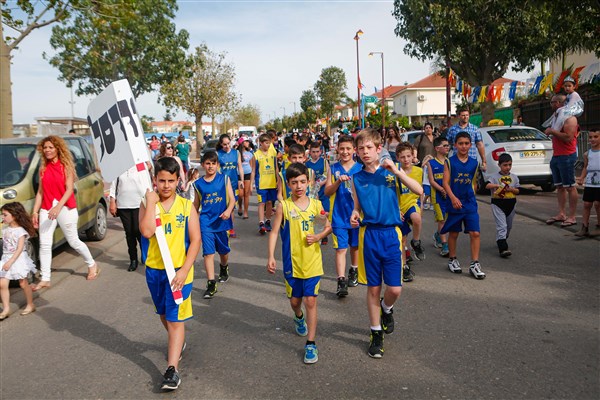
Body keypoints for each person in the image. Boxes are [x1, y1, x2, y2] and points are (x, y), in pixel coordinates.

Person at [350, 128, 422, 358]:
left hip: (392, 234)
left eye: (369, 147)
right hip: (370, 235)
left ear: (378, 148)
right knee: (373, 287)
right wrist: (354, 214)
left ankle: (386, 308)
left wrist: (397, 171)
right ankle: (375, 333)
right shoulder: (357, 178)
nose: (364, 152)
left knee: (395, 289)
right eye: (360, 148)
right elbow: (356, 206)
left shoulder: (391, 171)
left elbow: (419, 191)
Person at [139, 157, 200, 391]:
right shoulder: (147, 202)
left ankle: (172, 370)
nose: (166, 185)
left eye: (171, 181)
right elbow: (145, 231)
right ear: (155, 180)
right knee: (164, 314)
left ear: (178, 181)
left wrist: (185, 270)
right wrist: (151, 202)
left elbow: (195, 240)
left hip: (179, 273)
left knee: (175, 319)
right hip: (155, 270)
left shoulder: (186, 206)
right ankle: (179, 341)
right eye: (162, 180)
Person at [267, 163, 332, 364]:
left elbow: (327, 227)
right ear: (287, 184)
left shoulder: (315, 205)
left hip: (312, 262)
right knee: (296, 301)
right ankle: (298, 315)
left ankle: (311, 344)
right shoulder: (284, 207)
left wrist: (319, 235)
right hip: (292, 264)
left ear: (309, 182)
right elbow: (275, 232)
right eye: (294, 183)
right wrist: (271, 256)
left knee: (311, 300)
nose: (299, 186)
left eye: (302, 182)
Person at [30, 135, 99, 291]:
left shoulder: (65, 166)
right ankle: (46, 278)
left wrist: (58, 207)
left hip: (65, 207)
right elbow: (40, 192)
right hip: (47, 207)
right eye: (45, 148)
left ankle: (92, 264)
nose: (47, 150)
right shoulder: (43, 168)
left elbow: (69, 190)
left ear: (57, 149)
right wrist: (35, 211)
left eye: (50, 147)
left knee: (73, 240)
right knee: (45, 244)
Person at [441, 132, 485, 279]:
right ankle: (452, 259)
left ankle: (475, 263)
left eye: (466, 143)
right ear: (455, 145)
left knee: (475, 232)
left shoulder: (474, 163)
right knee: (454, 233)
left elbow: (473, 183)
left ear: (470, 145)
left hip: (469, 202)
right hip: (454, 201)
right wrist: (452, 197)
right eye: (461, 143)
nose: (464, 146)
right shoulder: (449, 162)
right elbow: (445, 183)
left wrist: (473, 193)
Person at [193, 151, 235, 299]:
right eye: (208, 163)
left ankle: (224, 268)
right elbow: (196, 205)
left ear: (218, 165)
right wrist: (191, 220)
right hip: (205, 222)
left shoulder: (224, 179)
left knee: (223, 252)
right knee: (208, 253)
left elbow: (232, 199)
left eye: (213, 163)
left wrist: (228, 211)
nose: (210, 166)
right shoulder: (197, 184)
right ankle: (211, 283)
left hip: (222, 222)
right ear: (203, 165)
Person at [324, 135, 362, 297]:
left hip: (356, 215)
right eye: (342, 149)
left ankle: (354, 269)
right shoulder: (333, 168)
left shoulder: (361, 168)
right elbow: (327, 192)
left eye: (348, 148)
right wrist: (337, 182)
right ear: (337, 150)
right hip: (338, 216)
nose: (345, 152)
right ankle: (341, 281)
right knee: (340, 249)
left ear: (354, 150)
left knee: (355, 246)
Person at [544, 96, 579, 227]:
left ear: (559, 103)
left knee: (570, 186)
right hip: (557, 155)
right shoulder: (556, 117)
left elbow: (569, 138)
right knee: (559, 187)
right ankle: (561, 213)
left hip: (567, 155)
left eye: (552, 102)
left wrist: (552, 131)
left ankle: (572, 216)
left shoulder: (570, 118)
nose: (551, 105)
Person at [109, 165, 149, 271]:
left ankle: (145, 254)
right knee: (129, 233)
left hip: (139, 204)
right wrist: (112, 201)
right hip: (123, 205)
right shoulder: (119, 166)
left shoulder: (140, 165)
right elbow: (113, 185)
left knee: (138, 231)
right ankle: (133, 260)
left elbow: (146, 183)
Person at [0, 202, 37, 319]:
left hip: (17, 258)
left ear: (14, 215)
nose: (2, 217)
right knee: (2, 284)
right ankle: (6, 309)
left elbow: (20, 249)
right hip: (5, 258)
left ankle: (30, 304)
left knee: (22, 283)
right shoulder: (5, 229)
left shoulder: (21, 231)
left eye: (5, 215)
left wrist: (11, 261)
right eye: (2, 215)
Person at [396, 142, 425, 281]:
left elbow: (421, 193)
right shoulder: (395, 172)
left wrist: (422, 208)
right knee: (401, 239)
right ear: (398, 158)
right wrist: (395, 209)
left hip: (412, 204)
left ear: (413, 156)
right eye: (403, 157)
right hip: (399, 207)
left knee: (417, 218)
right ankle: (404, 267)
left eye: (408, 156)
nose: (406, 159)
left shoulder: (418, 171)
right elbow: (392, 192)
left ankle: (416, 241)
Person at [485, 154, 520, 257]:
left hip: (511, 203)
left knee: (508, 226)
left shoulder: (514, 177)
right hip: (498, 203)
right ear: (499, 165)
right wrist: (496, 186)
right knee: (502, 226)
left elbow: (518, 190)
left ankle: (503, 238)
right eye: (505, 165)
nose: (507, 167)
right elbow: (486, 185)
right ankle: (503, 248)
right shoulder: (494, 177)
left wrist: (511, 189)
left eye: (510, 165)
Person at [426, 136, 451, 257]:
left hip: (449, 195)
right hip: (437, 196)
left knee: (447, 220)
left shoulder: (450, 162)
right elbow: (431, 180)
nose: (448, 147)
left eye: (448, 145)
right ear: (437, 148)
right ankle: (445, 245)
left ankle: (438, 235)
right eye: (445, 145)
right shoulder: (431, 163)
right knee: (441, 220)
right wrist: (441, 189)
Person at [216, 134, 244, 238]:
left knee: (232, 207)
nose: (227, 146)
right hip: (223, 183)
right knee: (225, 206)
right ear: (221, 144)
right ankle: (225, 227)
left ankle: (231, 227)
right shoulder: (218, 154)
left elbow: (240, 167)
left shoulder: (236, 153)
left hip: (234, 183)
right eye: (224, 144)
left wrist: (241, 180)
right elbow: (217, 170)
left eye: (228, 143)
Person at [251, 134, 279, 235]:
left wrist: (278, 180)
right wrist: (251, 184)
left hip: (271, 182)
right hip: (261, 183)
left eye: (269, 143)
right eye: (266, 143)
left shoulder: (273, 153)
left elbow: (276, 167)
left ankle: (268, 220)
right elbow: (253, 170)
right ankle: (261, 223)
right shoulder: (256, 155)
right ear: (261, 143)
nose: (268, 145)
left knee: (269, 203)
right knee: (261, 203)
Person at [575, 129, 600, 237]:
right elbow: (586, 167)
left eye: (596, 137)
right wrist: (581, 177)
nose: (592, 139)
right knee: (587, 204)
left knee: (598, 204)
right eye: (590, 137)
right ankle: (584, 227)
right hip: (590, 182)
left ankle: (599, 226)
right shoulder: (587, 154)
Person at [305, 142, 331, 245]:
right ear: (309, 152)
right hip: (312, 193)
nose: (315, 154)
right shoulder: (307, 164)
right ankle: (317, 232)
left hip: (323, 191)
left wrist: (320, 183)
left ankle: (324, 233)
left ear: (320, 152)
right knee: (315, 213)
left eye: (317, 152)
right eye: (313, 152)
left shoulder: (324, 162)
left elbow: (327, 174)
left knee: (325, 213)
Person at [238, 138, 254, 219]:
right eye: (246, 141)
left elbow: (251, 166)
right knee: (240, 194)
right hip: (239, 175)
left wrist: (252, 182)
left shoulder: (250, 153)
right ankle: (240, 206)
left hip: (248, 173)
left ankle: (245, 212)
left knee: (246, 193)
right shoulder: (237, 153)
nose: (248, 143)